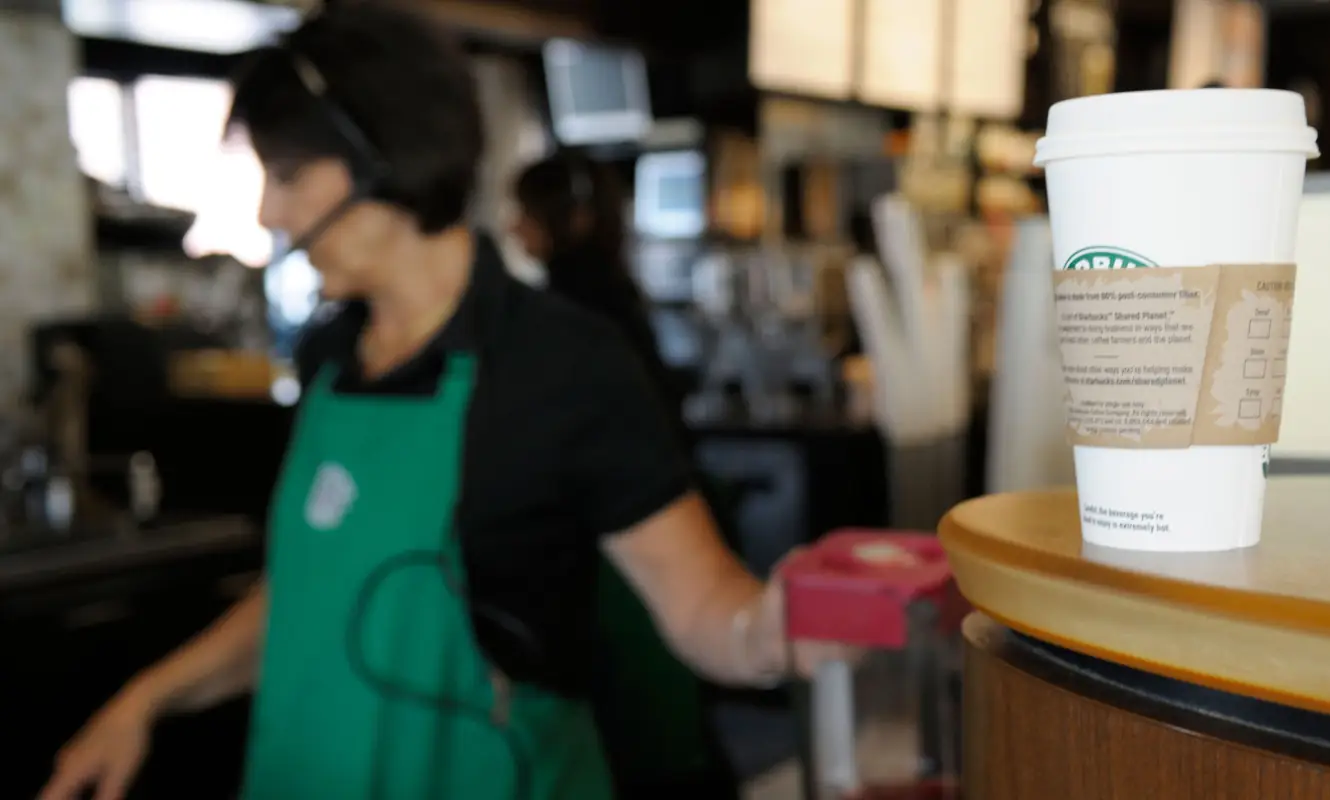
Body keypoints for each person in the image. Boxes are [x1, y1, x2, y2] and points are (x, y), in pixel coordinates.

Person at [41, 5, 798, 800]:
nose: (269, 212)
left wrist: (795, 624)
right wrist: (144, 701)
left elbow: (708, 608)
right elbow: (306, 601)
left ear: (385, 160)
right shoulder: (330, 357)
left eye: (288, 175)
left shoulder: (559, 365)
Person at [511, 153, 737, 799]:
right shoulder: (614, 296)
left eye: (525, 213)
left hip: (612, 549)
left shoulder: (559, 320)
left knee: (636, 730)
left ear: (567, 220)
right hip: (652, 520)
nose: (513, 227)